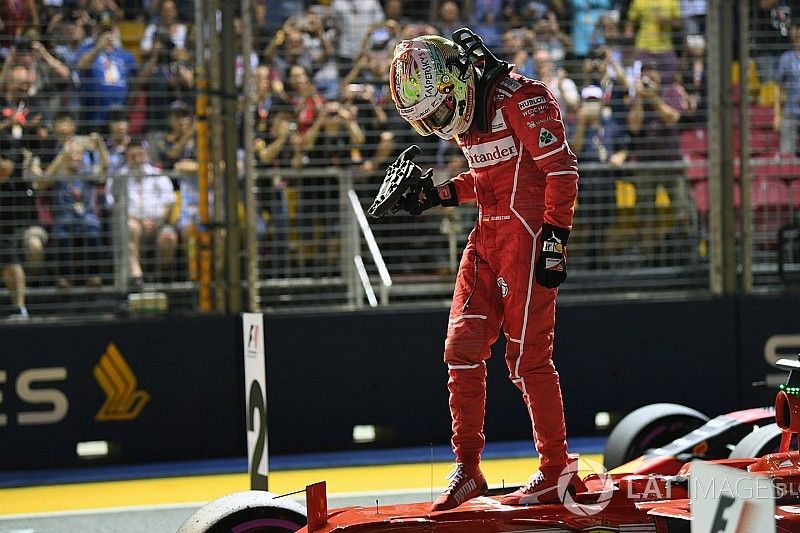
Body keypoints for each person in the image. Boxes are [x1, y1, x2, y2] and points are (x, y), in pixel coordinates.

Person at [386, 30, 581, 511]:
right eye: (426, 118)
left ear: (455, 80)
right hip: (487, 237)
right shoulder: (471, 114)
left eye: (436, 110)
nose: (437, 122)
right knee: (461, 348)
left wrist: (555, 239)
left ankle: (557, 472)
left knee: (527, 360)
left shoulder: (523, 97)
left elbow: (561, 171)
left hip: (527, 239)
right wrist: (437, 195)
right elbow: (486, 179)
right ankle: (468, 469)